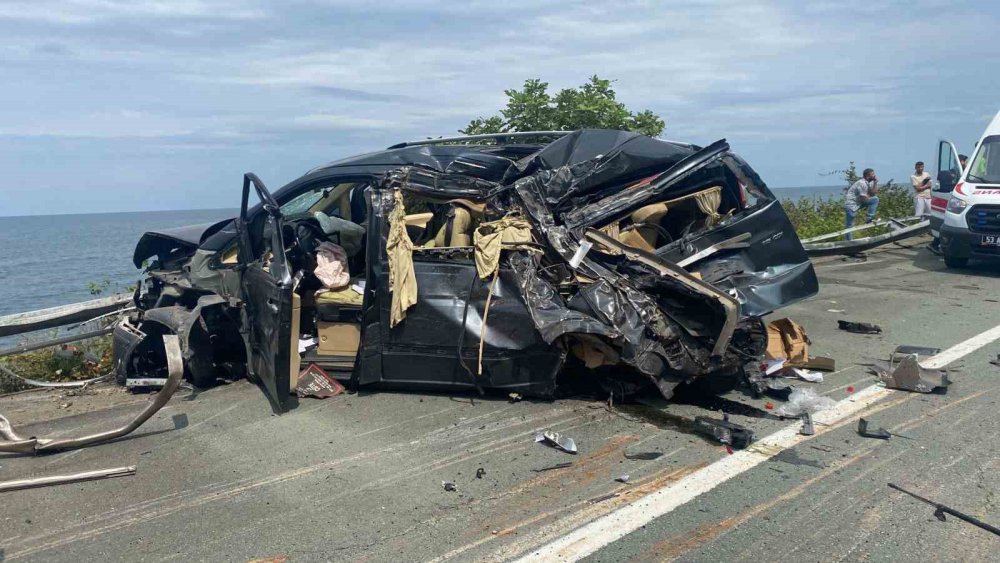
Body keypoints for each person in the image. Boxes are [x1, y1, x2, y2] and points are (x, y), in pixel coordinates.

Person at [844, 168, 879, 240]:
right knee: (849, 225)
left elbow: (873, 193)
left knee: (875, 199)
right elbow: (864, 199)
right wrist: (869, 195)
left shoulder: (869, 182)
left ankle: (869, 218)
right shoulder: (862, 183)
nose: (874, 176)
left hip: (859, 203)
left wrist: (875, 182)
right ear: (868, 176)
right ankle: (849, 241)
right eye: (873, 174)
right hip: (851, 205)